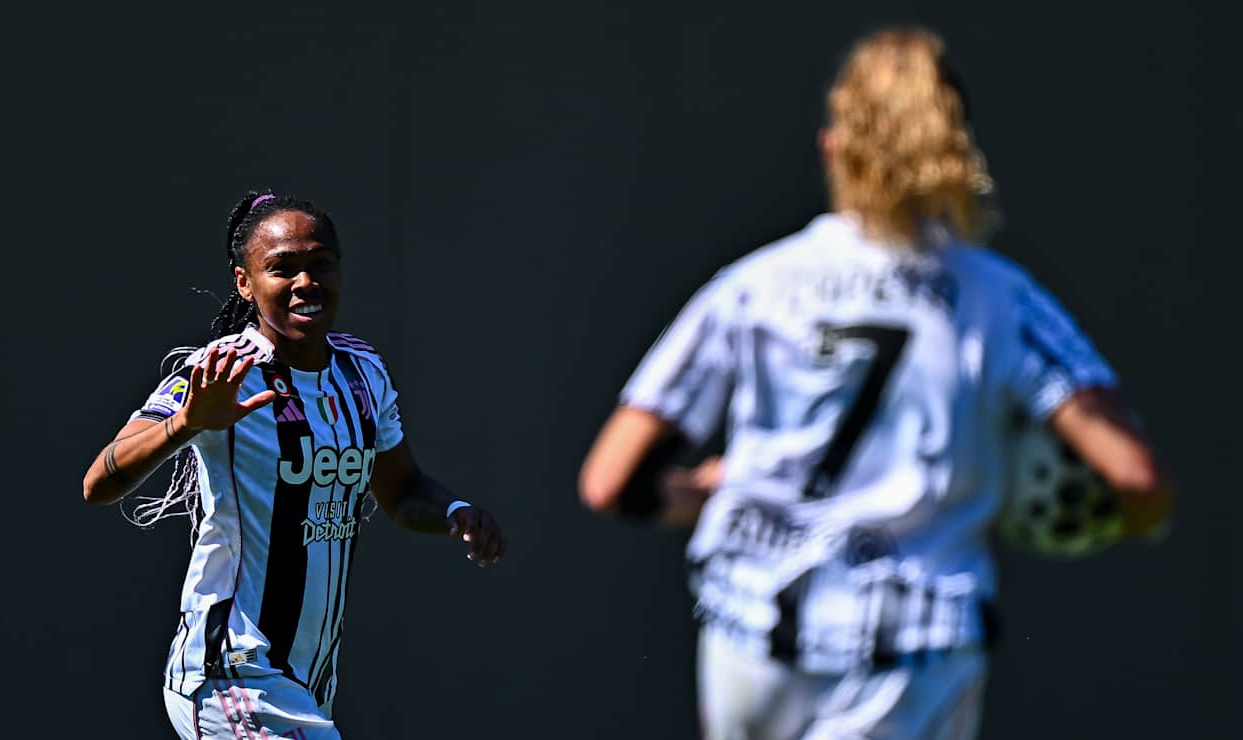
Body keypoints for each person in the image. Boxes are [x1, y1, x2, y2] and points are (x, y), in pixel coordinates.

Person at [578, 28, 1172, 740]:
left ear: (834, 146)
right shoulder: (997, 299)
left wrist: (714, 493)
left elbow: (610, 481)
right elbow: (1134, 473)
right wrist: (1132, 517)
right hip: (902, 656)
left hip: (749, 639)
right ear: (952, 147)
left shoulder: (755, 286)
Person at [82, 190, 507, 739]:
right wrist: (187, 423)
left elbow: (402, 492)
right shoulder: (220, 372)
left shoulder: (363, 372)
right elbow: (99, 481)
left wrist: (454, 511)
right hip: (233, 670)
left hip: (308, 678)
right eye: (282, 269)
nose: (305, 283)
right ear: (245, 282)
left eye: (320, 264)